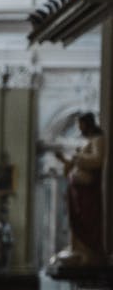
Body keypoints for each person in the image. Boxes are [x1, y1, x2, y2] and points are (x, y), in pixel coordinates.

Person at [53, 112, 104, 264]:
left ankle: (88, 250)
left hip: (87, 189)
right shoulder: (88, 141)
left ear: (88, 124)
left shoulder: (98, 140)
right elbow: (78, 163)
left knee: (86, 220)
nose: (79, 128)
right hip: (78, 188)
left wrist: (77, 158)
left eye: (80, 124)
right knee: (76, 220)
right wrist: (64, 160)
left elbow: (98, 160)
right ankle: (77, 248)